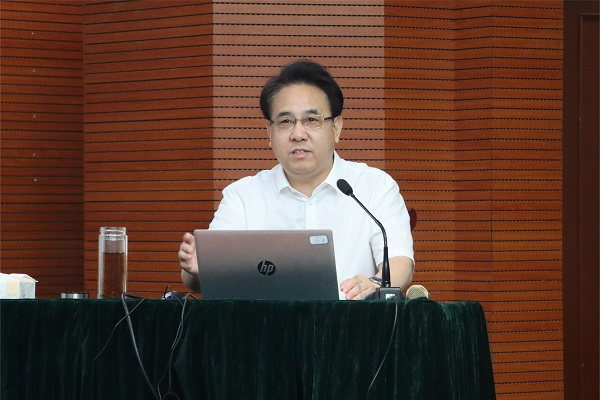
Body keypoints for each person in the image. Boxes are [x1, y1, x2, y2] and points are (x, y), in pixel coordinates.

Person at [178, 60, 414, 300]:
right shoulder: (242, 196)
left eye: (312, 120)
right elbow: (200, 278)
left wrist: (374, 284)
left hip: (352, 320)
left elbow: (400, 261)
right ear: (269, 132)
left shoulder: (374, 187)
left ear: (336, 128)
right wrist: (195, 267)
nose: (298, 134)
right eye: (285, 122)